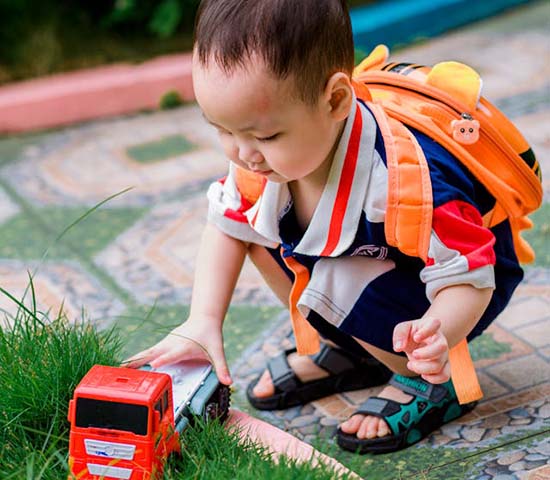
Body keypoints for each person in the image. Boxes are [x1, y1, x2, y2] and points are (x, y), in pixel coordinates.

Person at [126, 0, 524, 453]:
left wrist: (438, 334)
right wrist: (202, 321)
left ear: (335, 100)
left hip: (455, 287)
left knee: (330, 274)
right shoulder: (261, 161)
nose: (242, 152)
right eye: (222, 129)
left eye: (265, 135)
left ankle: (431, 382)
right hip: (380, 270)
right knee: (258, 232)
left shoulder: (404, 182)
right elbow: (225, 226)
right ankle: (356, 351)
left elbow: (472, 271)